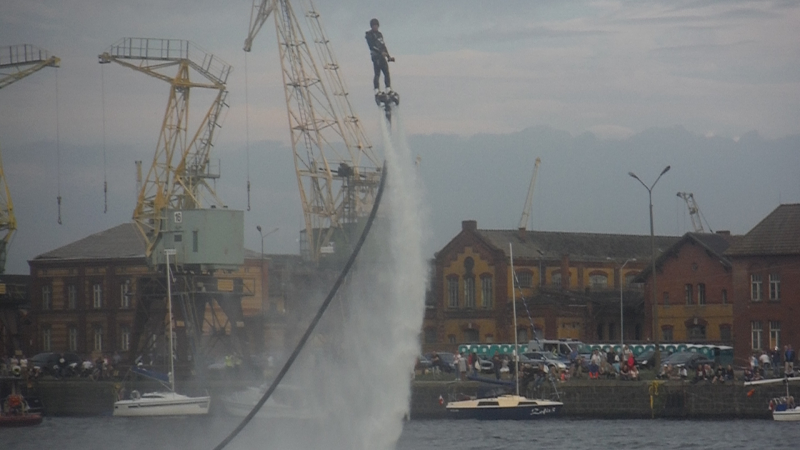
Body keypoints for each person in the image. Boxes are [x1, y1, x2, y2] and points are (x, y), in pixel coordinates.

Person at [365, 18, 394, 96]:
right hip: (376, 57)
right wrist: (381, 52)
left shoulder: (379, 34)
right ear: (371, 26)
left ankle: (388, 89)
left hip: (382, 56)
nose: (375, 27)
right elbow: (372, 46)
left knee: (386, 72)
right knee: (377, 73)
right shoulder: (369, 35)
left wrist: (388, 56)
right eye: (374, 25)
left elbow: (383, 46)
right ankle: (377, 90)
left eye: (376, 25)